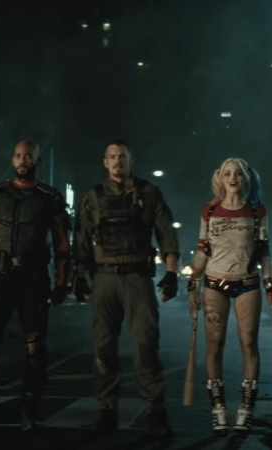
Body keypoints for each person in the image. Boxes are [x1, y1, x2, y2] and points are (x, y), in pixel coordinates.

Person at [0, 140, 72, 433]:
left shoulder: (50, 198)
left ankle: (29, 413)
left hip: (33, 279)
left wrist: (62, 284)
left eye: (28, 155)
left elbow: (63, 245)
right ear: (12, 159)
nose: (22, 160)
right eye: (18, 155)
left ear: (37, 160)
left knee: (34, 348)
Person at [73, 139, 179, 438]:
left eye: (122, 156)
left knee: (146, 345)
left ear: (131, 160)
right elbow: (81, 238)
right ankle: (107, 410)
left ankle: (155, 414)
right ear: (105, 162)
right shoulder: (93, 197)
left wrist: (171, 273)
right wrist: (78, 276)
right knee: (103, 347)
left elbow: (166, 232)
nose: (118, 160)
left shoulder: (148, 193)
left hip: (137, 277)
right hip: (105, 277)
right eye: (112, 156)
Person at [186, 158, 272, 435]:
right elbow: (202, 249)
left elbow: (264, 251)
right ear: (220, 178)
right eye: (227, 173)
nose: (232, 177)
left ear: (246, 178)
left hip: (247, 283)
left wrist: (269, 286)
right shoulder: (209, 210)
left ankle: (246, 409)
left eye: (238, 173)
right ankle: (218, 409)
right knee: (214, 345)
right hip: (214, 283)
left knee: (249, 344)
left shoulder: (257, 211)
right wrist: (193, 282)